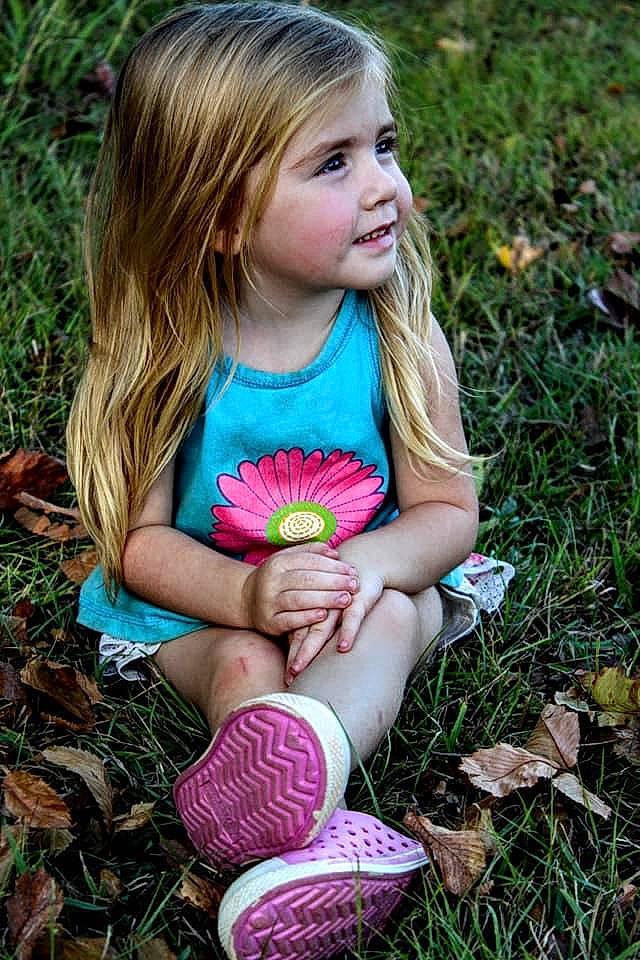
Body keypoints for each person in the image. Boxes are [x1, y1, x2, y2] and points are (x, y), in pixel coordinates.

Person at [66, 4, 513, 958]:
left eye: (383, 145)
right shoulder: (167, 352)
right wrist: (245, 596)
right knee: (242, 664)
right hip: (207, 600)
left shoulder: (398, 333)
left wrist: (366, 569)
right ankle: (304, 827)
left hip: (359, 586)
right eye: (334, 163)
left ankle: (297, 789)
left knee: (389, 619)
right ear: (221, 214)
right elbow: (138, 543)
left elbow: (446, 512)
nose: (386, 186)